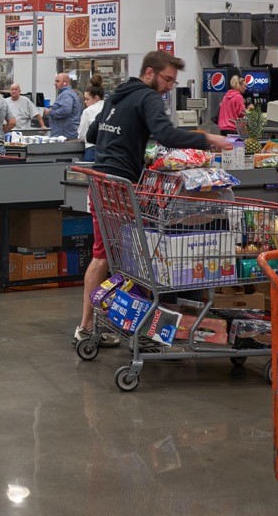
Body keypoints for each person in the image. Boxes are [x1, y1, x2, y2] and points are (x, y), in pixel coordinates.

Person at [76, 51, 234, 345]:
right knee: (128, 260)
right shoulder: (148, 98)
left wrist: (134, 146)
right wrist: (209, 139)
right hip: (121, 188)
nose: (169, 86)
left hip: (99, 182)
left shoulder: (116, 95)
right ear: (150, 72)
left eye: (173, 82)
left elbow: (96, 134)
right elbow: (166, 134)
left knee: (104, 256)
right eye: (167, 80)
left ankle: (88, 326)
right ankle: (127, 325)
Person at [77, 75, 106, 162]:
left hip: (92, 151)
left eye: (87, 99)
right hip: (109, 150)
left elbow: (82, 135)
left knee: (89, 175)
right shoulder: (110, 109)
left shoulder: (88, 111)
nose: (85, 102)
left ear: (96, 98)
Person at [45, 73, 82, 139]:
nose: (55, 83)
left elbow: (66, 110)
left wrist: (50, 112)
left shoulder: (66, 94)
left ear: (65, 83)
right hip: (65, 133)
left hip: (64, 134)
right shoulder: (67, 93)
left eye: (58, 81)